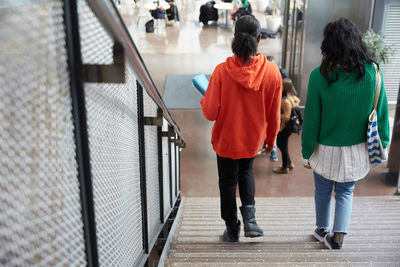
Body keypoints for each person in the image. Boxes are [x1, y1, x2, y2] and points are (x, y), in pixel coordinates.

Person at [301, 18, 390, 249]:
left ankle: (322, 229)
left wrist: (306, 151)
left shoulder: (319, 77)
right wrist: (384, 143)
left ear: (328, 46)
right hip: (357, 149)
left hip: (325, 148)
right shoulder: (373, 73)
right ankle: (338, 238)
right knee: (345, 192)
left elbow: (311, 119)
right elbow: (381, 114)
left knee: (322, 189)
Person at [200, 15, 282, 242]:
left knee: (227, 182)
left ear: (234, 38)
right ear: (259, 38)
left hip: (226, 140)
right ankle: (251, 220)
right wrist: (271, 140)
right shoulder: (272, 72)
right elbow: (274, 113)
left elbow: (209, 113)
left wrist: (205, 99)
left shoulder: (221, 72)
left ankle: (233, 228)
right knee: (246, 172)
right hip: (252, 139)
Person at [273, 78, 300, 174]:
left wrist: (277, 116)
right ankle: (289, 163)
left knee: (282, 146)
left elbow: (286, 117)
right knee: (283, 146)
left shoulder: (285, 101)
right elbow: (297, 101)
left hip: (284, 128)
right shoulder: (293, 98)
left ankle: (284, 167)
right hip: (289, 128)